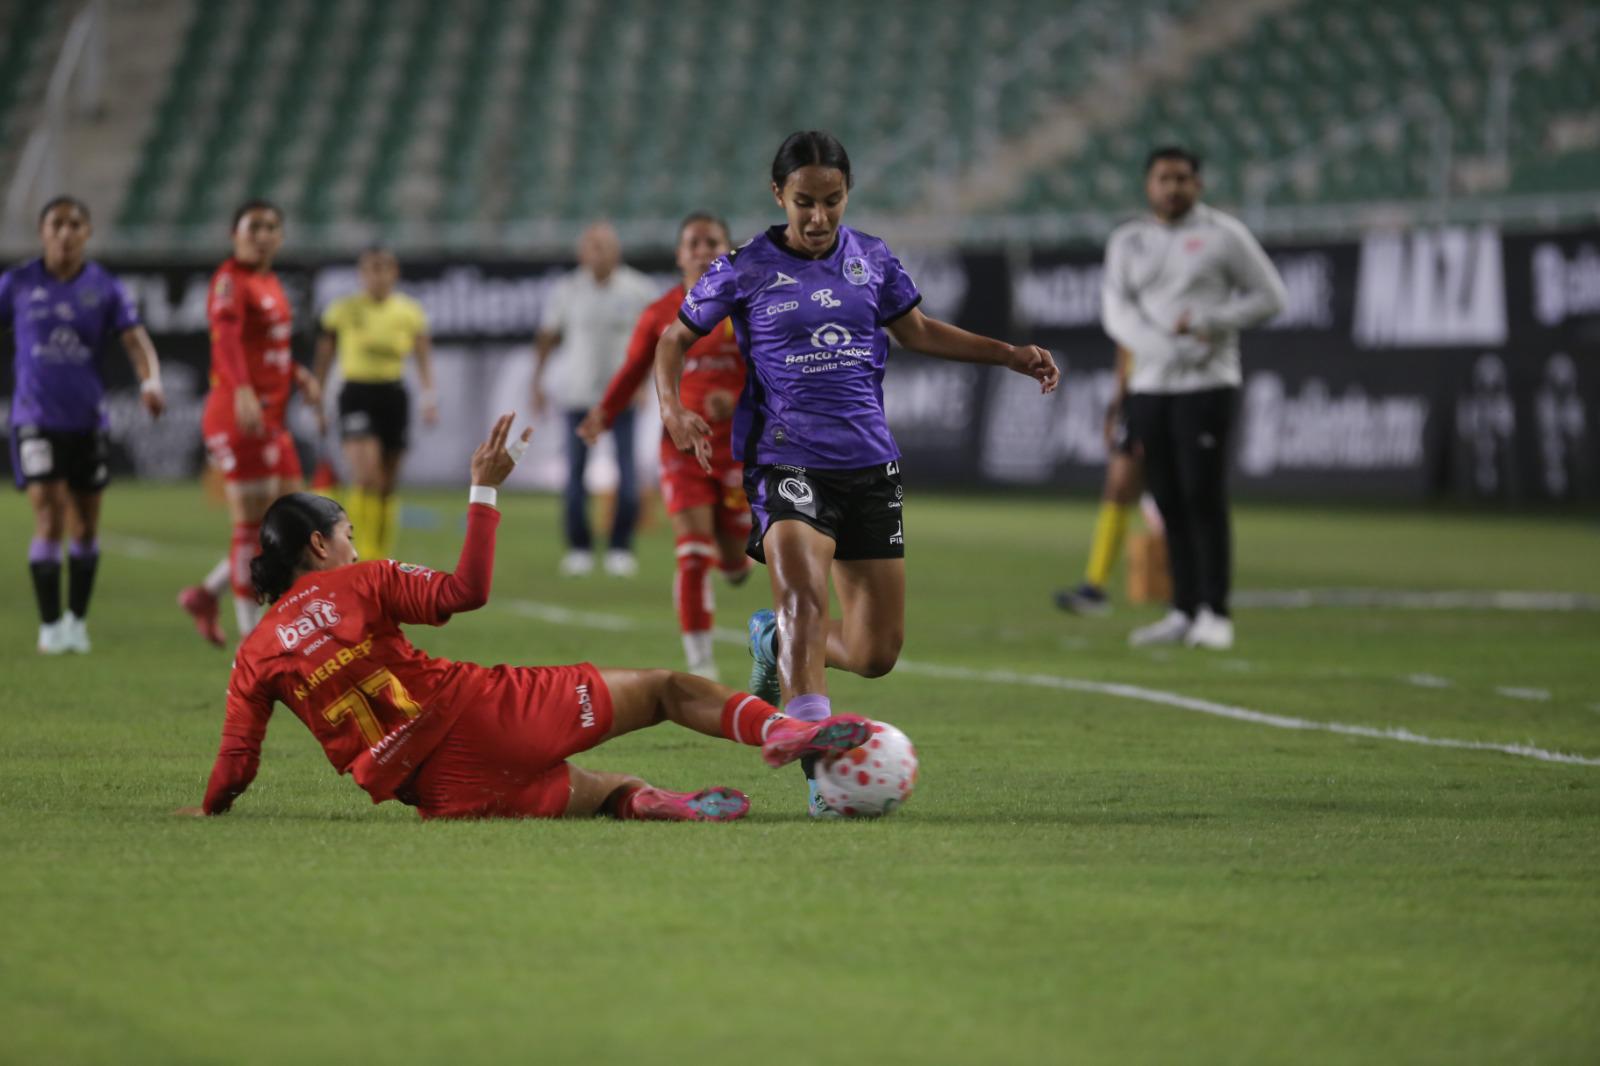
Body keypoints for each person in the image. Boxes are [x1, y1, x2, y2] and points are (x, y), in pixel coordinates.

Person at [175, 414, 876, 823]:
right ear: (319, 546)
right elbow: (465, 591)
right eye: (348, 533)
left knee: (603, 794)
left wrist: (209, 809)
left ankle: (648, 801)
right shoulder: (360, 581)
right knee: (666, 688)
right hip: (483, 714)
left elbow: (236, 763)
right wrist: (484, 487)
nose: (356, 544)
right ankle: (786, 729)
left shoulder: (254, 652)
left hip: (440, 791)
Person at [652, 130, 1059, 816]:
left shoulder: (872, 258)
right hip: (786, 458)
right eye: (805, 202)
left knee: (875, 651)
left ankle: (772, 641)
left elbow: (919, 330)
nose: (818, 217)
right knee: (805, 600)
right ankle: (823, 778)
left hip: (869, 464)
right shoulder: (743, 266)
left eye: (832, 201)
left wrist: (1009, 354)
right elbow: (674, 338)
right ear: (778, 195)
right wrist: (672, 409)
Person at [1101, 146, 1286, 651]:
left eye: (1183, 178)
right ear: (1149, 185)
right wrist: (1159, 344)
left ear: (1198, 185)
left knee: (1204, 496)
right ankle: (1182, 609)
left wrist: (1212, 322)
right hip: (1150, 386)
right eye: (1164, 178)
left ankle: (1216, 611)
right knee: (1167, 499)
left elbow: (1272, 297)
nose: (1173, 187)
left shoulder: (1224, 235)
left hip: (1207, 383)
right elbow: (1115, 310)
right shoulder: (1129, 240)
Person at [578, 213, 752, 681]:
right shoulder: (659, 313)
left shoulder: (750, 307)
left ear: (727, 250)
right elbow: (635, 368)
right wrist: (604, 413)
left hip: (738, 450)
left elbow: (775, 376)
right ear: (679, 254)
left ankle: (734, 563)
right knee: (692, 553)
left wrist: (734, 399)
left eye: (711, 241)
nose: (701, 249)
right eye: (692, 243)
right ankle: (701, 665)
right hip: (681, 448)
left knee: (736, 560)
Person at [2, 196, 165, 654]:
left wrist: (151, 381)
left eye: (75, 224)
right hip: (35, 418)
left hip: (87, 421)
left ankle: (77, 620)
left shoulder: (105, 288)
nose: (66, 232)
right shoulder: (17, 282)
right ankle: (50, 626)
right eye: (57, 224)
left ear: (88, 233)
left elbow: (136, 341)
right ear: (42, 232)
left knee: (87, 526)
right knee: (49, 514)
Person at [177, 200, 323, 647]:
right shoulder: (230, 281)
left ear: (280, 237)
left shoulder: (269, 281)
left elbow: (267, 347)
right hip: (238, 413)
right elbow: (227, 343)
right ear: (234, 234)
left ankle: (207, 594)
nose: (262, 234)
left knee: (292, 521)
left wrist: (297, 374)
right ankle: (250, 643)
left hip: (271, 417)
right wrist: (240, 388)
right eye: (254, 226)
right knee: (250, 526)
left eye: (271, 227)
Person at [532, 222, 658, 578]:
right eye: (592, 246)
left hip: (621, 397)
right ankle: (579, 548)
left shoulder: (638, 289)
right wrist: (536, 382)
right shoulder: (567, 290)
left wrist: (645, 384)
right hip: (577, 396)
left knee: (628, 475)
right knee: (574, 476)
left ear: (616, 251)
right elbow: (547, 336)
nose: (598, 252)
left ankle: (620, 547)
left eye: (604, 246)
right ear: (581, 253)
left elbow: (654, 341)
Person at [312, 246, 436, 562]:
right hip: (356, 393)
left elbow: (422, 356)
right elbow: (325, 355)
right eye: (370, 269)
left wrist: (429, 397)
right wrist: (317, 398)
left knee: (387, 482)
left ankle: (380, 554)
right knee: (365, 476)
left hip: (393, 394)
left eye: (383, 268)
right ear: (361, 274)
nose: (377, 275)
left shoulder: (409, 311)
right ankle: (359, 549)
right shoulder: (343, 310)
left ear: (394, 273)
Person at [1055, 345, 1142, 615]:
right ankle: (1095, 585)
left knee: (1171, 489)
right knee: (1117, 488)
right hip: (1136, 397)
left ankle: (1185, 587)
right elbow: (1126, 346)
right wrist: (1117, 404)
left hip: (1168, 390)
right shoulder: (1126, 304)